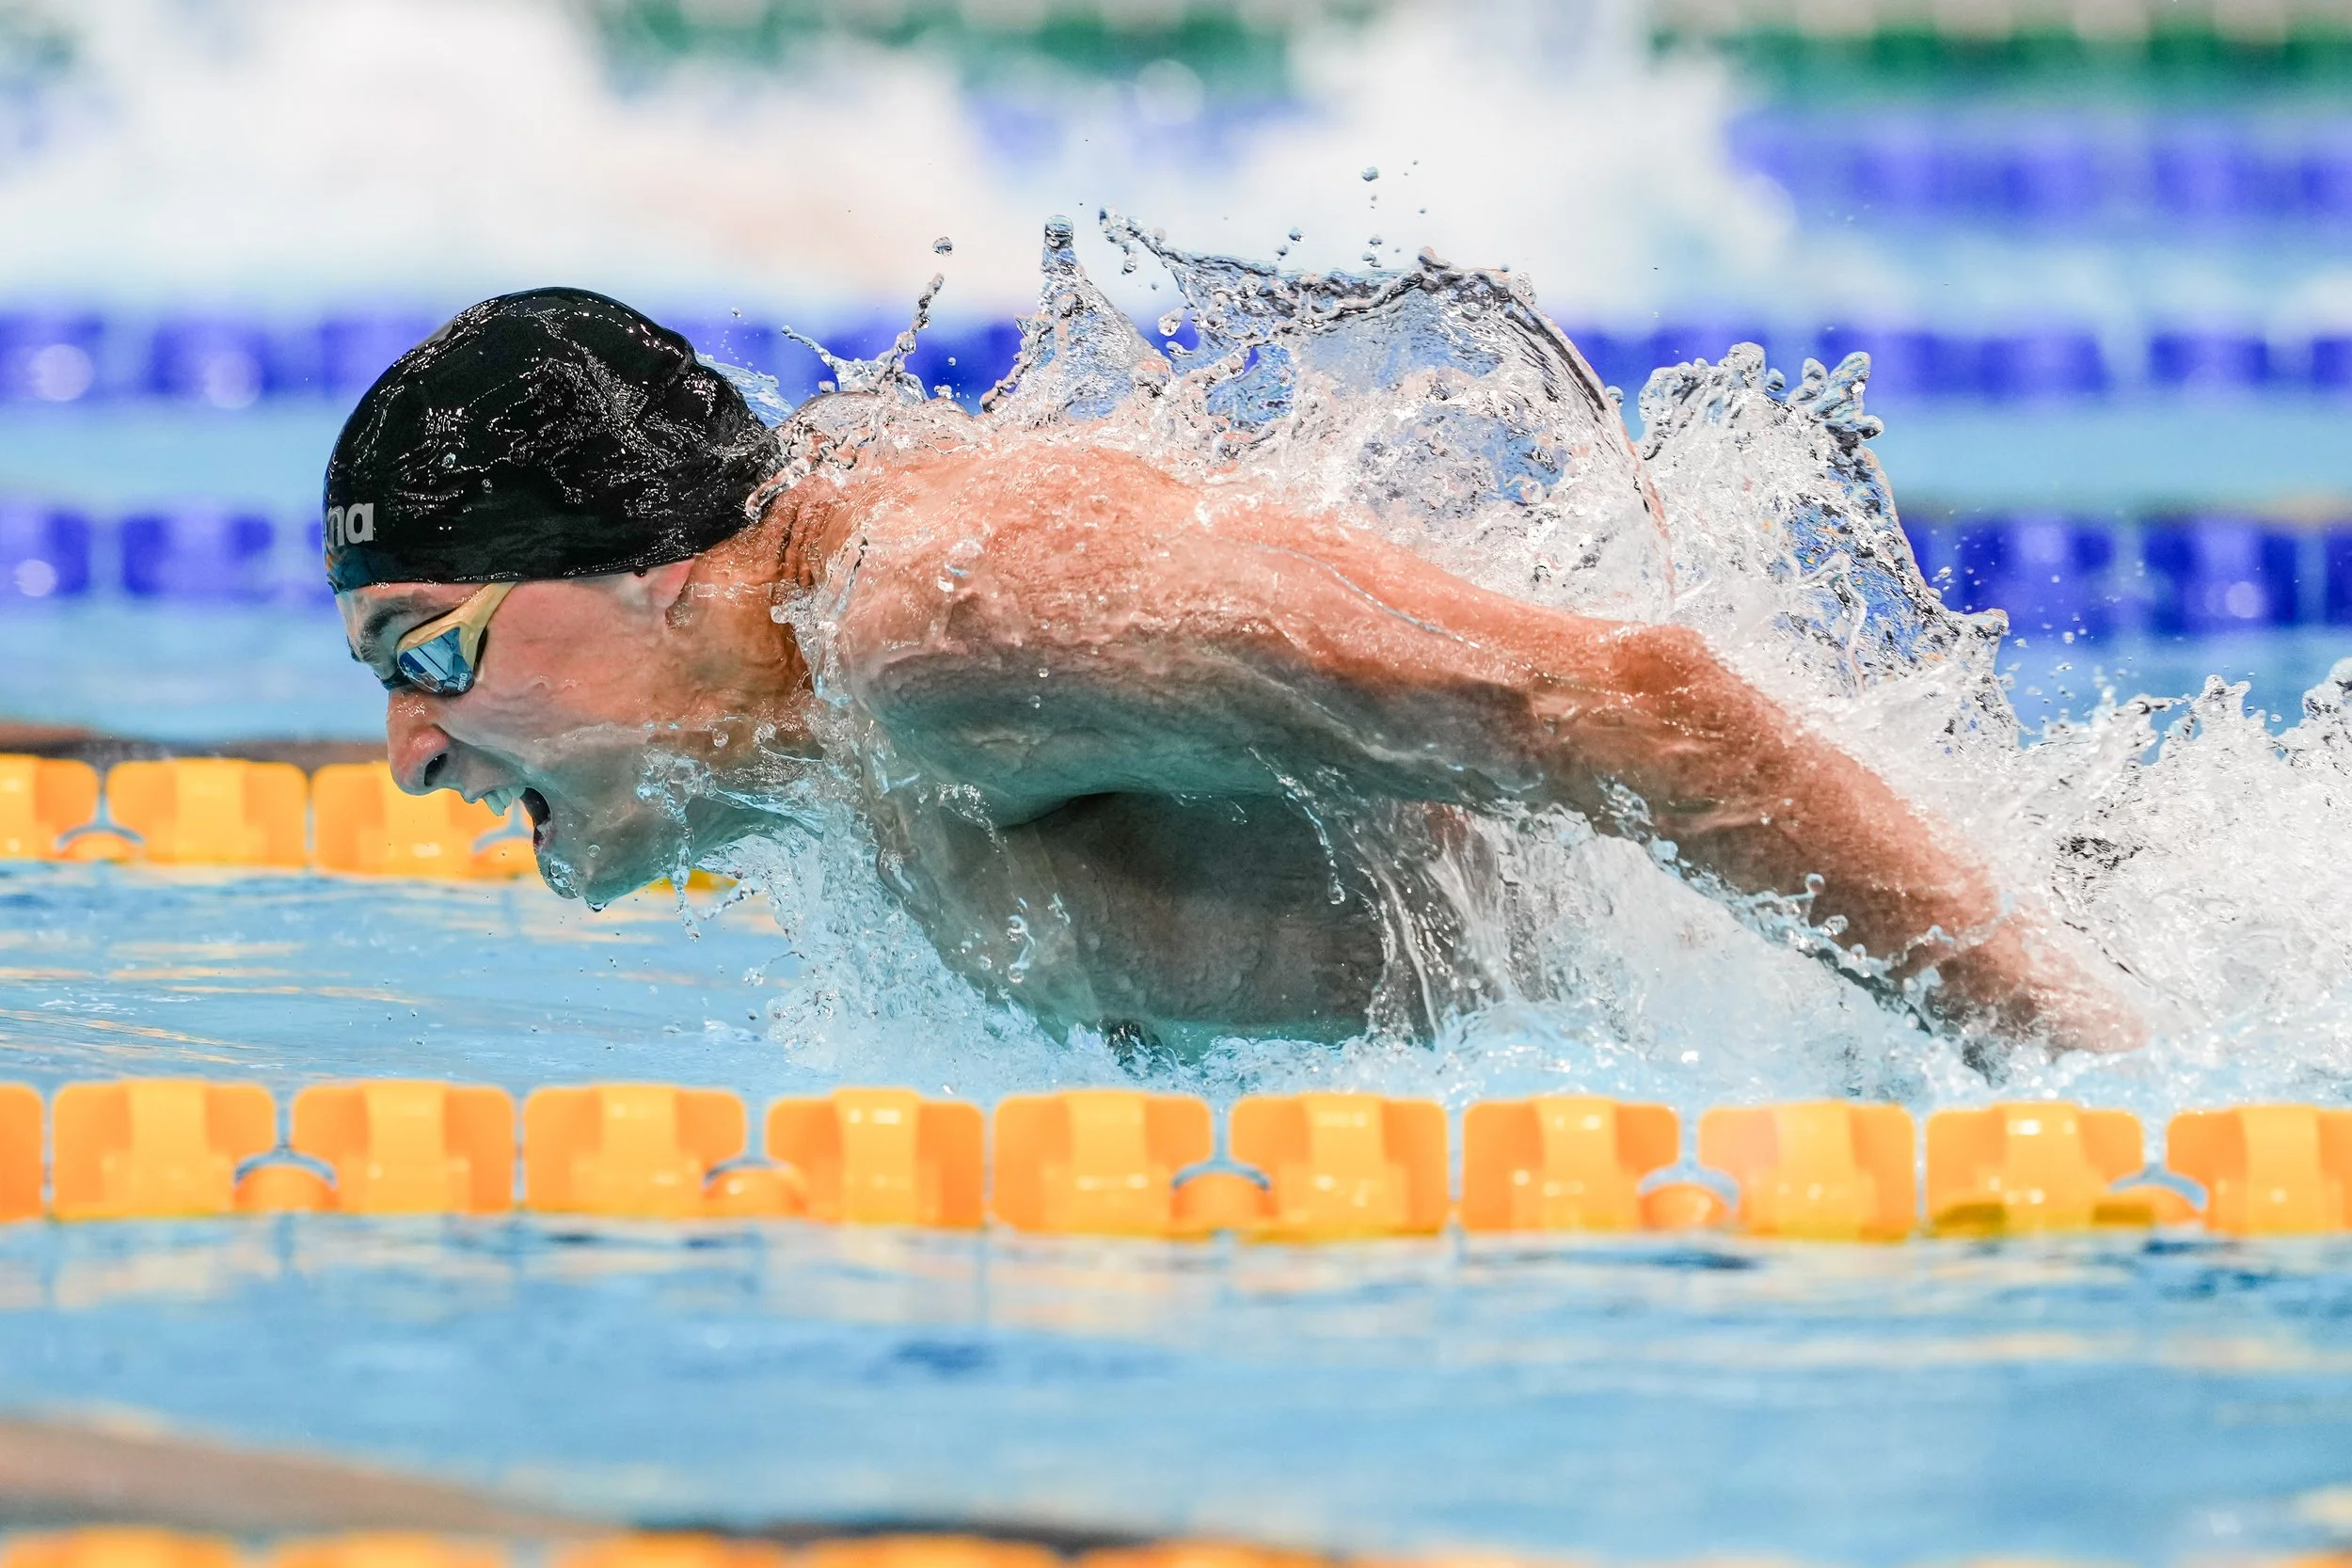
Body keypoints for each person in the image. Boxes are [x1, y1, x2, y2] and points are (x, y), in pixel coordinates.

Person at [328, 288, 2141, 1055]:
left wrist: (2097, 1080)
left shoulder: (942, 629)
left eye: (428, 650)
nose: (408, 751)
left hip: (1958, 1014)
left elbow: (1629, 709)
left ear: (655, 575)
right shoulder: (811, 747)